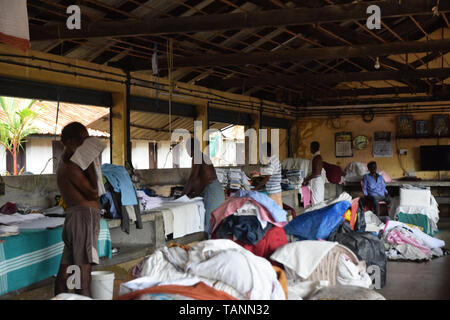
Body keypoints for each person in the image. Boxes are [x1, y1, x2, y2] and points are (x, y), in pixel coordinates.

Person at [55, 122, 101, 297]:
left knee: (67, 271)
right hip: (83, 218)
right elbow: (94, 192)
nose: (85, 143)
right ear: (71, 141)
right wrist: (90, 163)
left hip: (76, 218)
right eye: (83, 139)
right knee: (83, 273)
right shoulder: (72, 167)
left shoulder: (65, 163)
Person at [182, 137, 225, 239]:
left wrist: (182, 196)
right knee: (215, 223)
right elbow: (198, 180)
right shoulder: (202, 156)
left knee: (210, 223)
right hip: (215, 190)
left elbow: (193, 178)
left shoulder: (197, 156)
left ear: (189, 148)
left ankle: (210, 249)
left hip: (212, 192)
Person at [254, 142, 283, 208]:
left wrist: (255, 188)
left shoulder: (271, 161)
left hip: (272, 191)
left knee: (274, 212)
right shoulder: (275, 158)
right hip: (276, 190)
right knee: (277, 211)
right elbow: (269, 174)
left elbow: (267, 178)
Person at [302, 141, 325, 205]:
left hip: (316, 182)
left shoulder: (317, 158)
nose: (310, 149)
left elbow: (316, 173)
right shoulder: (316, 157)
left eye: (310, 147)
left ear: (313, 148)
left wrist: (306, 180)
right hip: (316, 181)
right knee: (316, 202)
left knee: (316, 203)